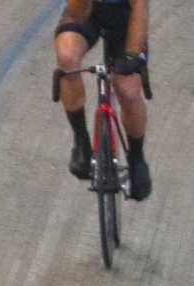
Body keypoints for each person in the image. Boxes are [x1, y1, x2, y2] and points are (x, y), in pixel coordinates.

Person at [54, 0, 153, 200]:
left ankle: (136, 158)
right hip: (89, 11)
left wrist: (132, 56)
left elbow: (140, 8)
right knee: (67, 60)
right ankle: (81, 141)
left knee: (128, 90)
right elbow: (76, 13)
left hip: (127, 17)